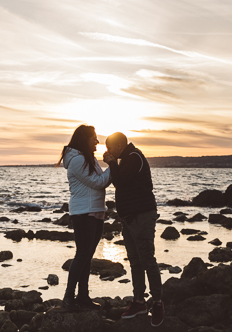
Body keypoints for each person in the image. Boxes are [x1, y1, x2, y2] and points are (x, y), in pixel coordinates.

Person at [103, 132, 164, 327]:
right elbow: (122, 184)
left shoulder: (134, 158)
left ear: (120, 145)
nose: (108, 152)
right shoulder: (128, 159)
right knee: (135, 261)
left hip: (142, 216)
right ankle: (139, 301)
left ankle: (157, 302)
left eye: (110, 148)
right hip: (130, 218)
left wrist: (111, 163)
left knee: (147, 259)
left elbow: (120, 181)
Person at [58, 124, 111, 311]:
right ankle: (68, 297)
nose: (97, 141)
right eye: (94, 138)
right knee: (82, 255)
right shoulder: (77, 160)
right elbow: (98, 182)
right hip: (83, 213)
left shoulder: (89, 159)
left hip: (95, 210)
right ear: (84, 139)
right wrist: (113, 166)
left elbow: (98, 182)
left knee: (87, 256)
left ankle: (83, 296)